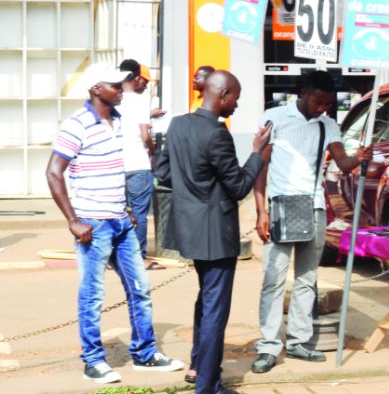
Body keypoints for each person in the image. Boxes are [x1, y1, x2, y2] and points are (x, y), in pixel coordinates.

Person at [46, 65, 183, 385]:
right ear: (95, 88)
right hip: (92, 224)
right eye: (114, 85)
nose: (121, 89)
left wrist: (124, 207)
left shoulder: (119, 121)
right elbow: (53, 172)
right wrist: (73, 220)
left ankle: (145, 354)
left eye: (121, 84)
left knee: (140, 288)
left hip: (120, 222)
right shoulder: (76, 124)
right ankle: (93, 361)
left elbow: (112, 168)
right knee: (92, 295)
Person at [154, 70, 270, 394]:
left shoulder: (177, 124)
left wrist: (195, 193)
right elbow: (239, 187)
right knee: (214, 312)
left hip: (189, 229)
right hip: (216, 236)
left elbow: (163, 175)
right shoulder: (217, 134)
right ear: (224, 94)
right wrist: (257, 153)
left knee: (205, 303)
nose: (236, 104)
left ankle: (198, 368)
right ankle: (207, 386)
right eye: (236, 98)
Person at [251, 71, 371, 374]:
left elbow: (343, 164)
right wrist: (260, 210)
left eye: (327, 104)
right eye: (318, 101)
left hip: (314, 207)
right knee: (273, 279)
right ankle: (268, 346)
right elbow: (260, 165)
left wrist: (360, 156)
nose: (321, 108)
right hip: (280, 206)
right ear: (303, 93)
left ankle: (298, 342)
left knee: (307, 279)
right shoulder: (275, 116)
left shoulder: (329, 125)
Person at [118, 59, 159, 268]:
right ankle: (138, 258)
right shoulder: (140, 101)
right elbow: (144, 136)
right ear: (135, 77)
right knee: (139, 214)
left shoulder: (113, 98)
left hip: (117, 165)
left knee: (118, 213)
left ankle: (115, 257)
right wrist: (153, 149)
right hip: (138, 164)